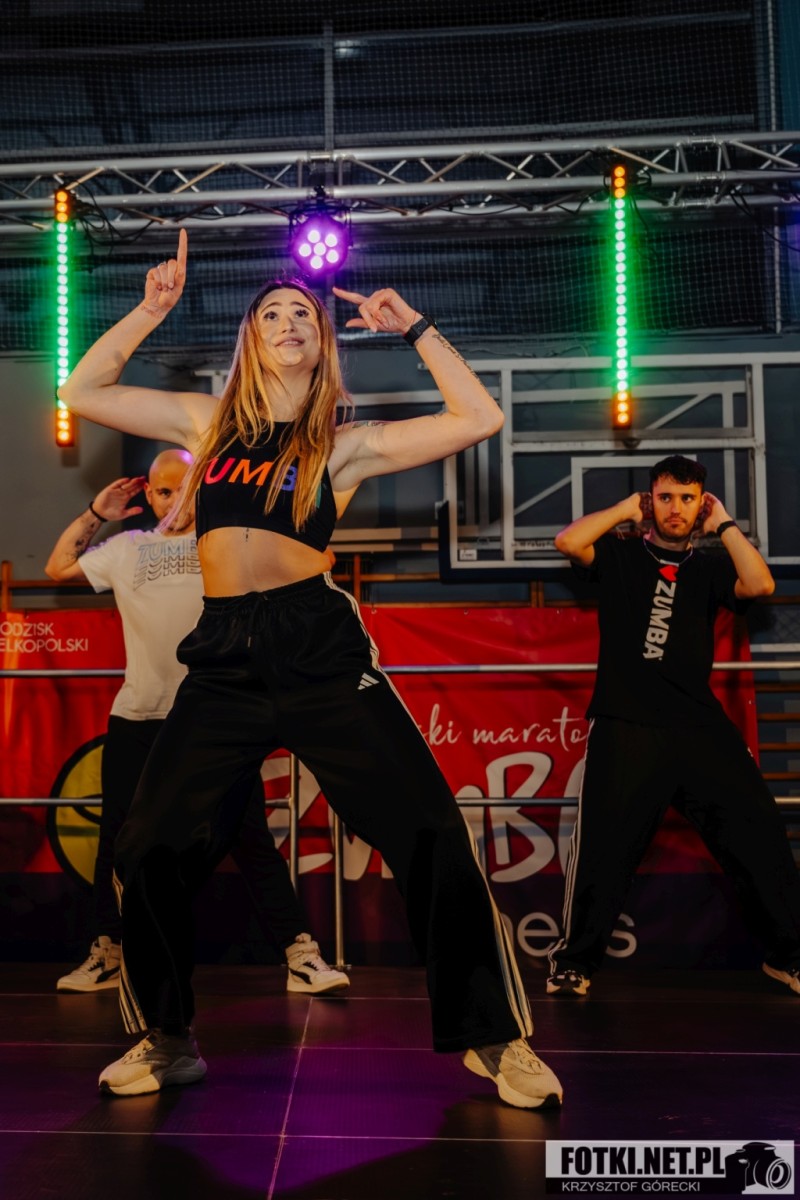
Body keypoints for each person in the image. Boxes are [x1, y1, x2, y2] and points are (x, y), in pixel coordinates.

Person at [57, 229, 562, 1107]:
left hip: (318, 648)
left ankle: (495, 1039)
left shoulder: (342, 444)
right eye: (271, 314)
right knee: (145, 844)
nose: (288, 320)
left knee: (430, 832)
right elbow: (81, 391)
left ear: (323, 342)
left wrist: (415, 328)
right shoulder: (207, 424)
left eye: (303, 313)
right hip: (223, 655)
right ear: (251, 340)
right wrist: (149, 310)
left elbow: (479, 418)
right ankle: (167, 1037)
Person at [45, 450, 349, 999]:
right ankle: (108, 950)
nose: (175, 501)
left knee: (247, 834)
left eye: (185, 488)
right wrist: (96, 512)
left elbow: (313, 563)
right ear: (149, 495)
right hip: (139, 713)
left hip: (215, 714)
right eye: (164, 491)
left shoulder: (226, 541)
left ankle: (299, 952)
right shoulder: (126, 548)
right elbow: (58, 567)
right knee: (117, 837)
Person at [547, 454, 800, 998]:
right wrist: (625, 509)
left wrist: (724, 523)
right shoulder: (620, 555)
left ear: (701, 504)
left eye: (688, 499)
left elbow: (760, 585)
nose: (676, 508)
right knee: (603, 849)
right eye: (665, 497)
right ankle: (574, 962)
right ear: (651, 501)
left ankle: (788, 956)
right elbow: (568, 542)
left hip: (696, 725)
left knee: (758, 829)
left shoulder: (709, 568)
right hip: (626, 723)